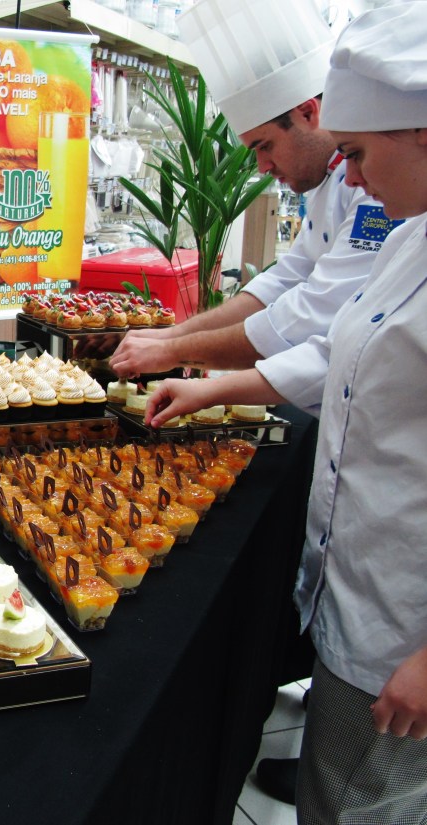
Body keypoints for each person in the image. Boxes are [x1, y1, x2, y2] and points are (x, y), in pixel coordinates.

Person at [146, 4, 427, 821]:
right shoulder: (409, 238)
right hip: (363, 600)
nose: (352, 179)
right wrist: (205, 380)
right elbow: (333, 344)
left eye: (359, 153)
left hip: (405, 624)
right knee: (332, 795)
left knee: (365, 804)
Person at [108, 0, 399, 382]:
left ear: (308, 113)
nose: (262, 167)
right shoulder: (325, 181)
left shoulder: (376, 190)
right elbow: (282, 282)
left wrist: (173, 350)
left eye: (265, 146)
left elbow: (312, 310)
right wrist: (169, 335)